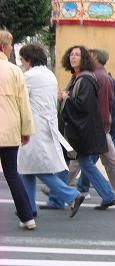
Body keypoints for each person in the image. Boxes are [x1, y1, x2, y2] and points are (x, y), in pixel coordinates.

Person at [17, 44, 85, 218]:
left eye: (22, 59)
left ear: (28, 59)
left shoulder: (29, 76)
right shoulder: (49, 75)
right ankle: (28, 207)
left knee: (34, 167)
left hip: (34, 127)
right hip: (48, 126)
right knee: (26, 167)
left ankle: (71, 195)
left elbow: (21, 100)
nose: (22, 63)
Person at [59, 45, 115, 209]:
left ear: (84, 59)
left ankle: (57, 193)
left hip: (84, 130)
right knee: (84, 163)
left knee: (81, 162)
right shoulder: (80, 78)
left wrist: (66, 98)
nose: (73, 57)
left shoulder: (84, 79)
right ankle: (58, 193)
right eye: (71, 54)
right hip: (86, 129)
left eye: (77, 55)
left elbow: (83, 105)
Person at [75, 49, 115, 205]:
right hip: (102, 126)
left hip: (96, 127)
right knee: (109, 161)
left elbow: (98, 105)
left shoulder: (96, 77)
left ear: (95, 58)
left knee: (79, 159)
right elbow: (111, 107)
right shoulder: (105, 77)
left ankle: (58, 187)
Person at [0, 30, 36, 229]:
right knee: (12, 174)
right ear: (5, 47)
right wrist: (26, 130)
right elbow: (24, 104)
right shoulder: (15, 71)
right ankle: (27, 216)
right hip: (9, 131)